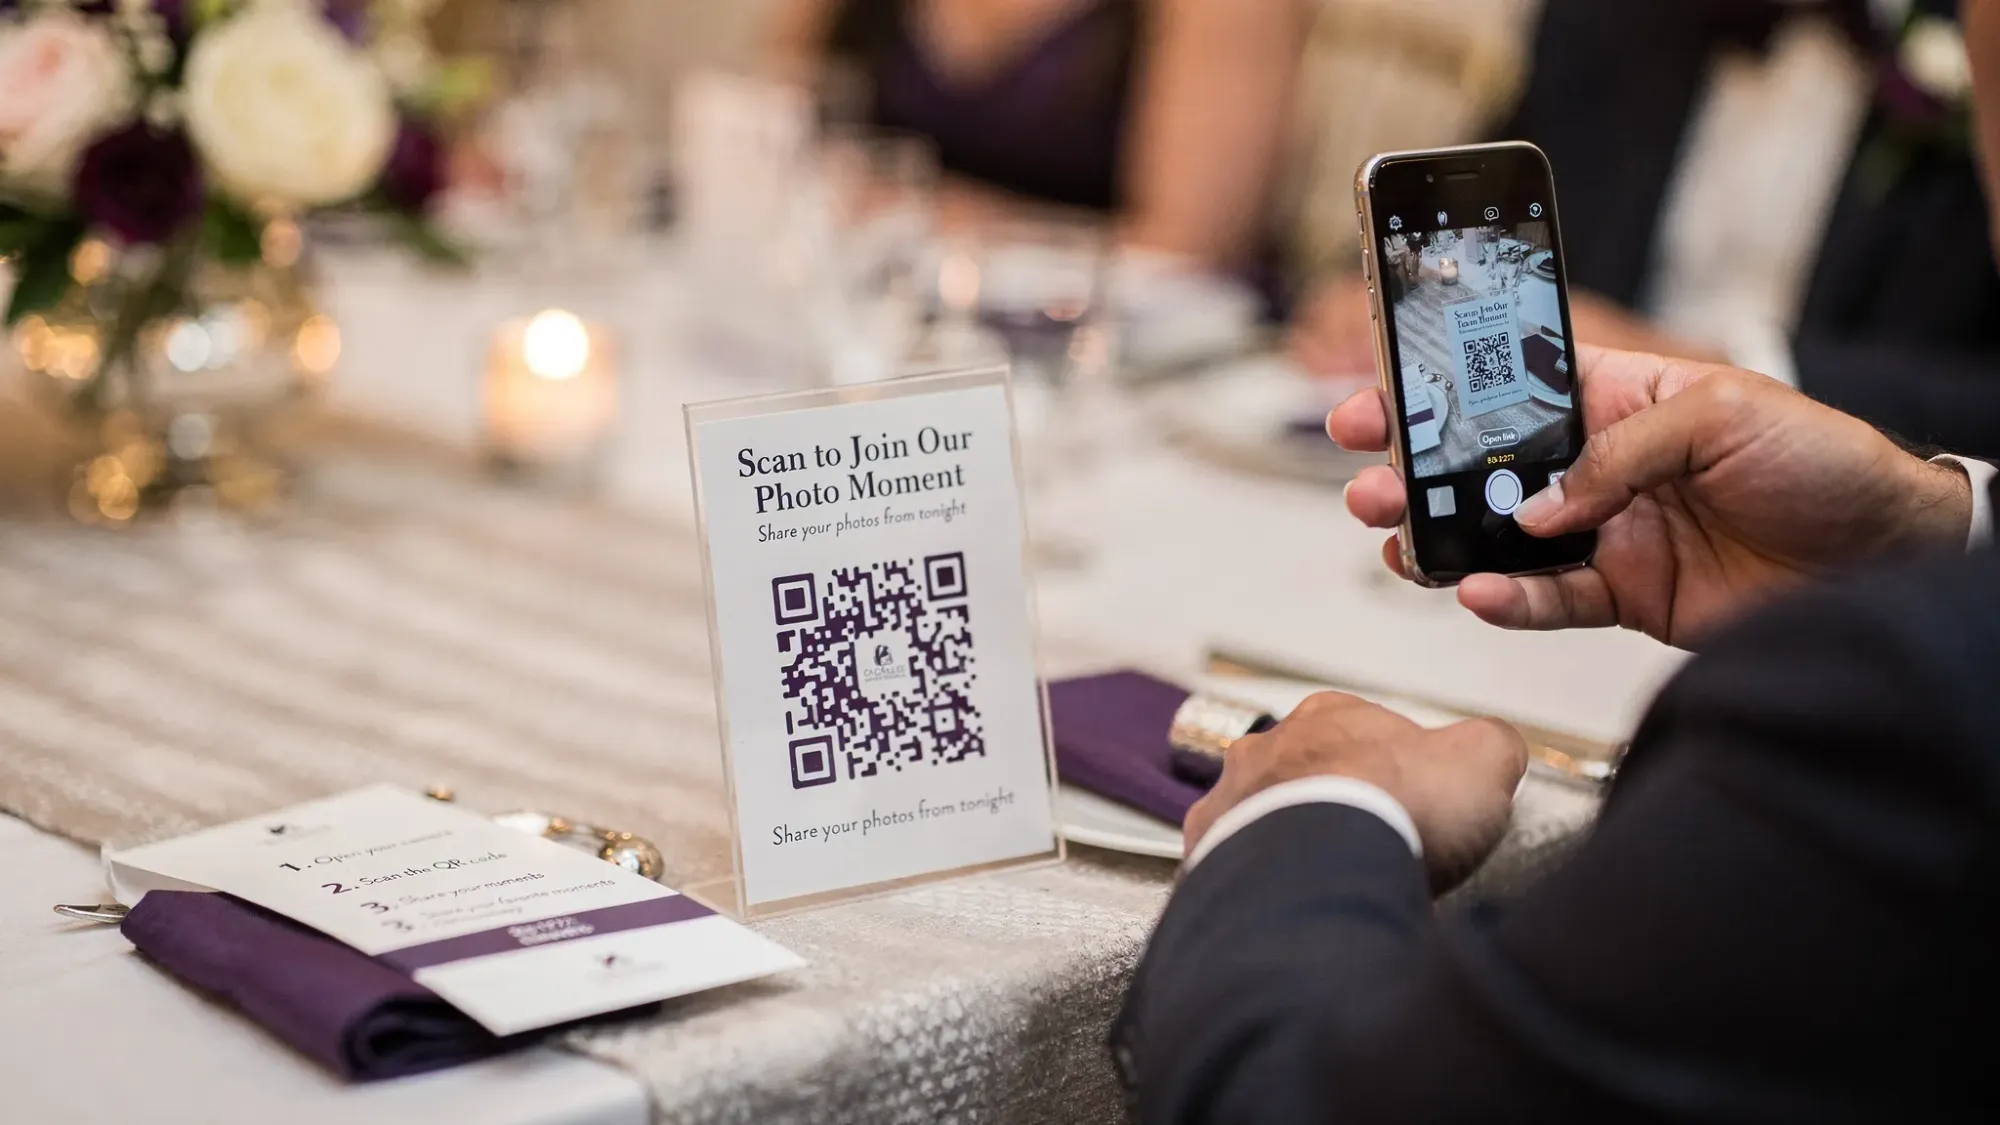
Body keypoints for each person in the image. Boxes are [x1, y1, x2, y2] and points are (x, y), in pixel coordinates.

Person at [1110, 2, 2000, 1117]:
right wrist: (1929, 520)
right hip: (1639, 518)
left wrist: (1313, 810)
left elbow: (1308, 1098)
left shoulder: (1893, 711)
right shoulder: (1605, 25)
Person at [1292, 0, 2000, 458]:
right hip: (1569, 487)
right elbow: (1486, 221)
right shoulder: (1606, 21)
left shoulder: (1975, 38)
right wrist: (1412, 292)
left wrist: (1710, 368)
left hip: (1864, 576)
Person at [764, 0, 1305, 267]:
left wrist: (935, 216)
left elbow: (1186, 253)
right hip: (901, 320)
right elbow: (780, 126)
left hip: (1131, 362)